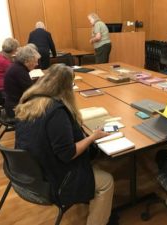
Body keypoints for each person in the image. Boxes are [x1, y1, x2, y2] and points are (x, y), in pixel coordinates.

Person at [15, 64, 114, 225]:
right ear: (67, 87)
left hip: (32, 170)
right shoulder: (56, 111)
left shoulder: (29, 100)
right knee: (107, 181)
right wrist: (92, 137)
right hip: (55, 178)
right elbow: (68, 154)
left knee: (94, 157)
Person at [4, 44, 40, 118]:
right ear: (27, 61)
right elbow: (31, 92)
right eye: (35, 61)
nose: (37, 64)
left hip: (14, 103)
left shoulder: (17, 67)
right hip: (16, 108)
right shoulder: (19, 71)